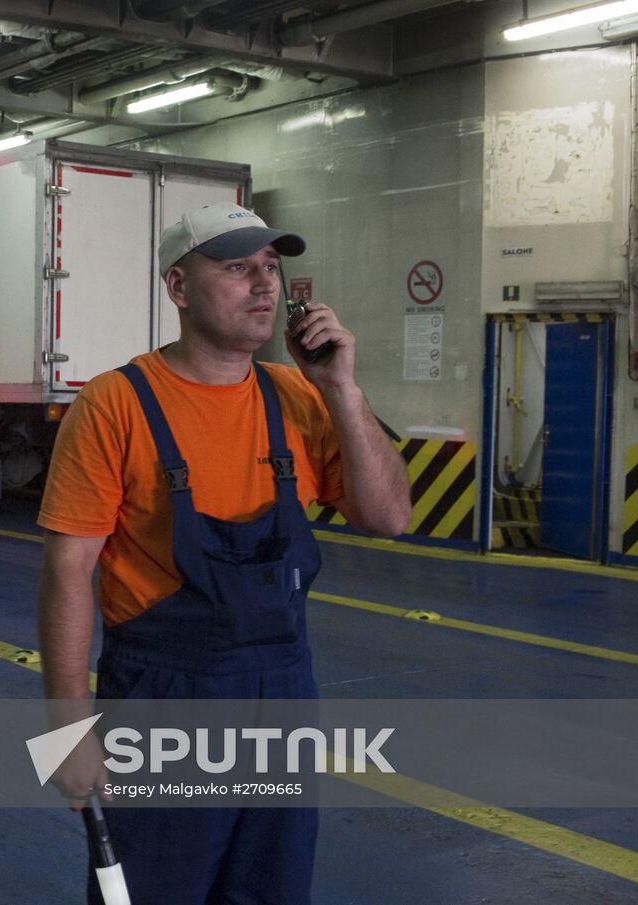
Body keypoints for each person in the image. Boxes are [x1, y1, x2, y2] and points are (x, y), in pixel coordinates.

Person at [35, 202, 411, 904]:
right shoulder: (115, 405)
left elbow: (389, 515)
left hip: (282, 692)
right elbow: (68, 569)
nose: (264, 285)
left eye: (270, 267)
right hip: (163, 702)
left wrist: (343, 389)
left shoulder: (297, 395)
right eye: (237, 267)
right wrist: (67, 724)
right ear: (179, 287)